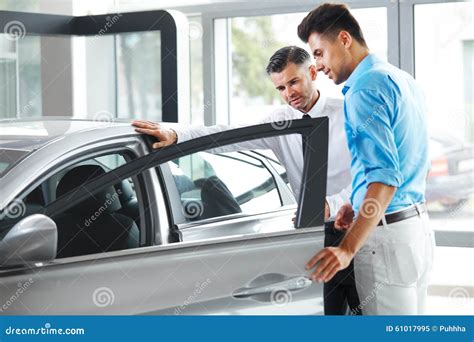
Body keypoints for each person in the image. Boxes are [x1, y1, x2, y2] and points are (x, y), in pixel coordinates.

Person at [132, 46, 360, 315]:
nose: (289, 94)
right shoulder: (281, 121)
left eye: (294, 82)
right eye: (281, 88)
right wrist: (177, 134)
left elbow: (367, 179)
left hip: (359, 232)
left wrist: (330, 205)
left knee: (367, 312)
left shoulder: (349, 115)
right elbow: (229, 135)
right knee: (328, 315)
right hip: (313, 237)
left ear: (312, 72)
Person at [298, 3, 435, 315]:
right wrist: (357, 205)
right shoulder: (402, 80)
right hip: (416, 231)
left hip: (385, 240)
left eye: (319, 53)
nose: (316, 67)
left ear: (344, 39)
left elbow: (385, 178)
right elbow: (413, 163)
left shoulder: (362, 91)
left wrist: (346, 248)